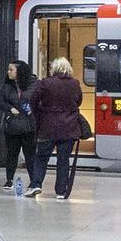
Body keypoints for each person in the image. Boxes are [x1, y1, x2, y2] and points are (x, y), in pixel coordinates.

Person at [25, 56, 85, 201]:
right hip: (68, 127)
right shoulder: (75, 83)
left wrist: (39, 112)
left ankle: (36, 184)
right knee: (63, 160)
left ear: (54, 68)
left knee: (41, 157)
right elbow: (79, 101)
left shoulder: (45, 83)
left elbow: (33, 100)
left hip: (48, 126)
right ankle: (60, 191)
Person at [0, 60, 36, 193]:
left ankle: (34, 181)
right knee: (12, 153)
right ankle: (9, 179)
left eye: (11, 69)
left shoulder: (35, 84)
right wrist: (9, 108)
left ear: (20, 71)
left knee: (30, 154)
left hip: (29, 125)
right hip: (12, 125)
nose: (8, 72)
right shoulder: (6, 86)